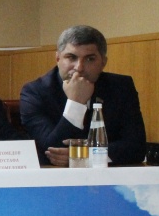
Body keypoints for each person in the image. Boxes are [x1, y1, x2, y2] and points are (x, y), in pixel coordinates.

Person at [20, 25, 146, 166]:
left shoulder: (121, 87)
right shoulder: (34, 92)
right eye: (71, 57)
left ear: (103, 62)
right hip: (55, 176)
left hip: (108, 174)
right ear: (58, 58)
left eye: (89, 59)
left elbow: (137, 147)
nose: (79, 67)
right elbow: (52, 150)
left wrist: (85, 156)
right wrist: (76, 103)